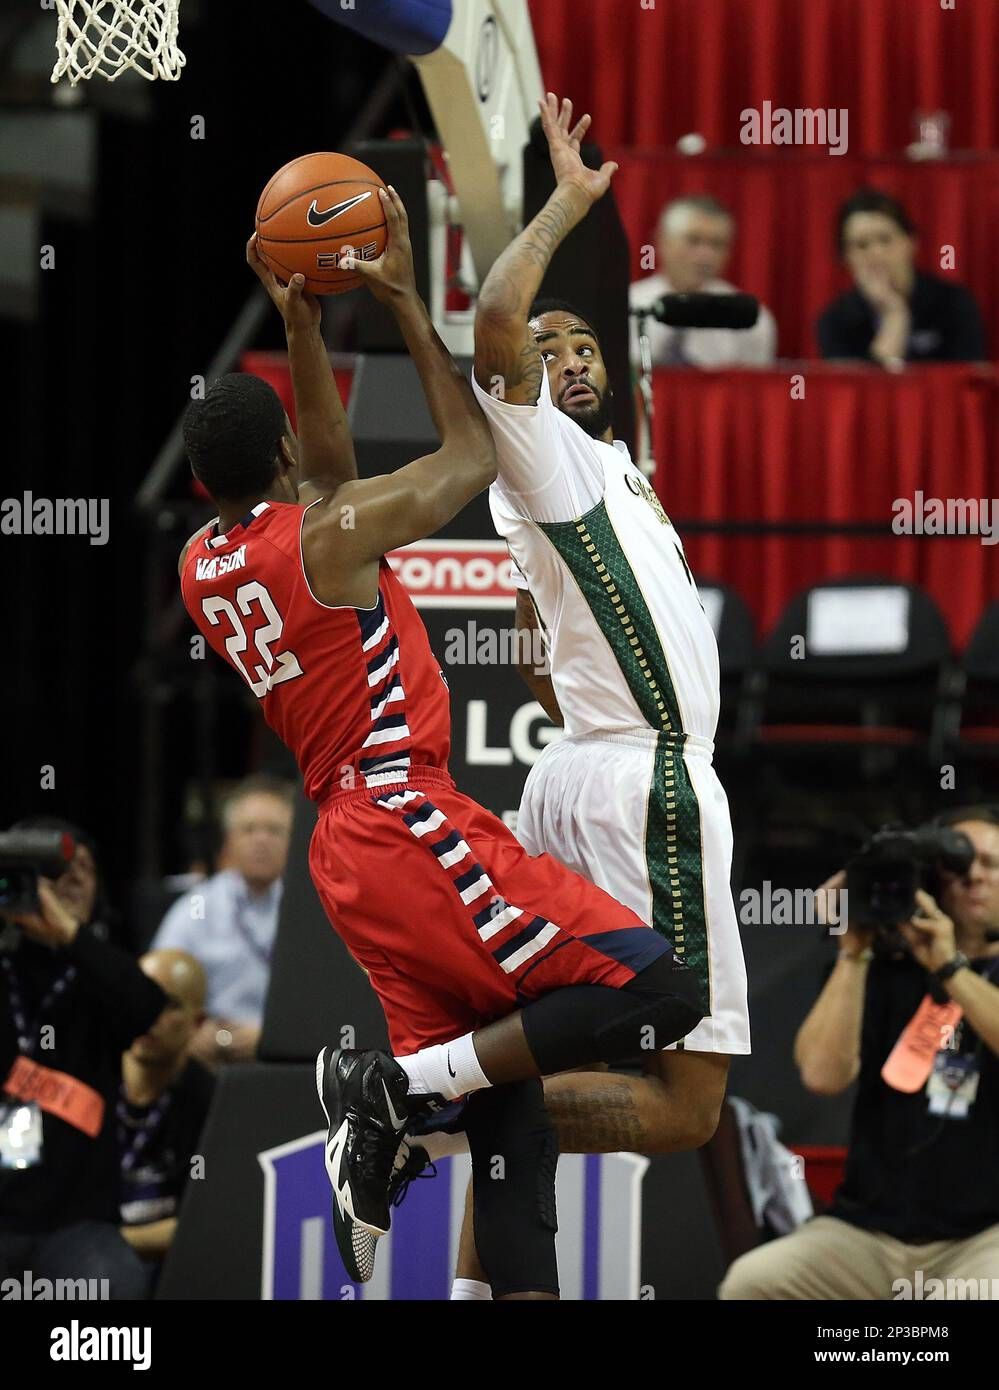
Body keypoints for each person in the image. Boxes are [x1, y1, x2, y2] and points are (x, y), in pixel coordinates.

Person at [176, 189, 705, 1299]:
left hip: (347, 846)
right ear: (276, 451)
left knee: (509, 1099)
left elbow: (316, 468)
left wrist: (305, 328)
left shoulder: (205, 561)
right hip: (406, 818)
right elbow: (468, 454)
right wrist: (412, 304)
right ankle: (392, 1090)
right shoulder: (330, 531)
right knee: (656, 987)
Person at [440, 92, 751, 1298]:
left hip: (593, 774)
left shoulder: (617, 470)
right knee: (685, 1105)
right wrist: (571, 204)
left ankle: (477, 1279)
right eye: (548, 347)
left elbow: (551, 641)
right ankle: (413, 1104)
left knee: (544, 1058)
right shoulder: (543, 450)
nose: (563, 353)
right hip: (646, 784)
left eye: (585, 346)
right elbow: (500, 317)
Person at [719, 805, 999, 1300]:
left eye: (991, 865)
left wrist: (950, 966)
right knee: (753, 1284)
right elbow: (823, 1075)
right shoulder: (887, 967)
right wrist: (854, 949)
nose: (973, 876)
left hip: (981, 1238)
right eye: (959, 864)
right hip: (867, 1233)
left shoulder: (959, 969)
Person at [0, 818, 167, 1298]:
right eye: (53, 874)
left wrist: (71, 936)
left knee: (111, 1285)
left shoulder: (100, 970)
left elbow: (148, 1009)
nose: (68, 882)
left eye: (83, 872)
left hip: (76, 1223)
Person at [152, 775, 293, 1068]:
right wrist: (190, 1031)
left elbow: (323, 997)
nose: (261, 840)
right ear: (229, 840)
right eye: (249, 829)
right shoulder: (197, 904)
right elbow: (158, 981)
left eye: (274, 830)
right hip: (206, 1058)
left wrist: (276, 1036)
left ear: (293, 841)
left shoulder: (312, 908)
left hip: (282, 1057)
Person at [118, 949, 215, 1290]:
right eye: (140, 997)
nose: (149, 1014)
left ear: (198, 1023)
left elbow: (208, 1225)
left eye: (169, 1005)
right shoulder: (87, 1083)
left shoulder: (214, 1102)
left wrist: (115, 1242)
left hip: (176, 1270)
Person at [817, 189, 986, 367]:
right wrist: (894, 314)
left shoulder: (954, 304)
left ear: (910, 242)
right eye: (862, 245)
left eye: (885, 239)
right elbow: (859, 391)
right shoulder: (835, 320)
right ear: (845, 258)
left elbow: (968, 383)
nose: (876, 253)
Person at [629, 194, 777, 367]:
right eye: (693, 240)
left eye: (717, 244)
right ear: (661, 241)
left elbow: (754, 391)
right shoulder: (627, 306)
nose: (705, 256)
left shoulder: (748, 318)